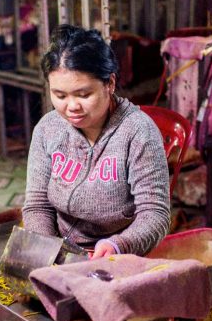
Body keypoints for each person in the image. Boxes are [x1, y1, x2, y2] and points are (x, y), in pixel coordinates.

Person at [23, 25, 171, 258]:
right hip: (59, 251)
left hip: (119, 254)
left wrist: (118, 245)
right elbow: (37, 206)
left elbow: (155, 214)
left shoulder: (138, 132)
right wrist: (50, 253)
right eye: (60, 95)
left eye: (84, 94)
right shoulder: (47, 129)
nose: (72, 106)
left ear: (109, 84)